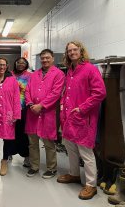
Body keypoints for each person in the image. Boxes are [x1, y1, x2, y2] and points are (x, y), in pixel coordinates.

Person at [57, 41, 106, 200]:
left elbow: (100, 93)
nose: (72, 52)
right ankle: (74, 174)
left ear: (81, 51)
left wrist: (82, 108)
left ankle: (91, 185)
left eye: (75, 49)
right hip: (69, 117)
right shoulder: (70, 70)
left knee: (86, 152)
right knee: (70, 147)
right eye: (69, 50)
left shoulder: (90, 69)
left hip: (84, 117)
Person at [24, 49, 65, 179]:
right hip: (32, 113)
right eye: (42, 58)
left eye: (47, 58)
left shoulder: (58, 74)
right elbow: (27, 91)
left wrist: (41, 106)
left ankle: (51, 168)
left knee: (48, 143)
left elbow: (56, 93)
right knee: (33, 143)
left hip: (48, 113)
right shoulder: (34, 74)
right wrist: (30, 104)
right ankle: (34, 166)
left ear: (52, 58)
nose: (45, 60)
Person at [11, 57, 32, 168]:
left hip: (24, 108)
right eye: (18, 62)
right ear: (15, 63)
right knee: (10, 132)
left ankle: (26, 157)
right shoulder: (10, 74)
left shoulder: (30, 76)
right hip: (10, 108)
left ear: (26, 64)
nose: (20, 64)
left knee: (23, 133)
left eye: (23, 63)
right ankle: (9, 153)